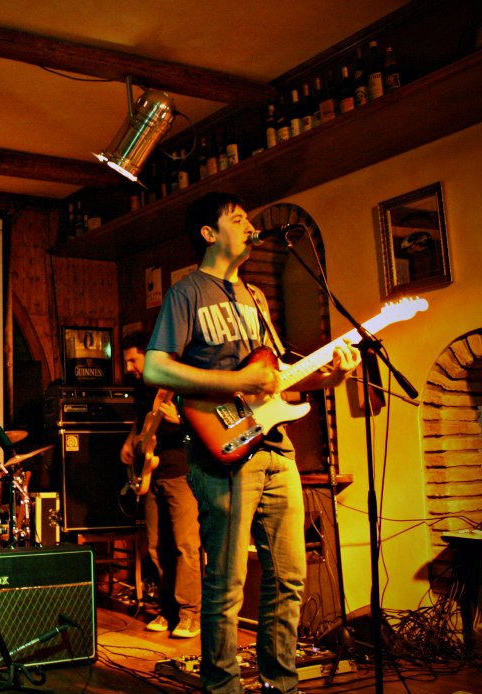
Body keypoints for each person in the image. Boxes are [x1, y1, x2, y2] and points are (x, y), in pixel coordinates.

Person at [143, 192, 360, 694]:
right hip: (221, 450)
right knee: (226, 581)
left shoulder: (257, 298)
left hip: (275, 447)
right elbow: (156, 367)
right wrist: (238, 382)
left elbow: (276, 376)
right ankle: (222, 687)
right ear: (208, 233)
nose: (248, 225)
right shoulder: (187, 293)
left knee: (288, 577)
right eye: (237, 219)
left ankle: (280, 685)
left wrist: (330, 378)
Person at [118, 331, 201, 638]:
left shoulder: (179, 383)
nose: (129, 368)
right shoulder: (143, 389)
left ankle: (190, 613)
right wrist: (131, 441)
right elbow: (141, 422)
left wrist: (180, 419)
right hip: (151, 473)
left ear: (150, 355)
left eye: (133, 360)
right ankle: (168, 610)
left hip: (181, 471)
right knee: (156, 546)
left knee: (185, 545)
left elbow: (207, 425)